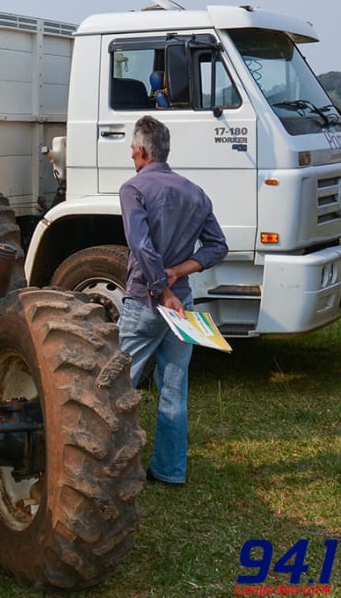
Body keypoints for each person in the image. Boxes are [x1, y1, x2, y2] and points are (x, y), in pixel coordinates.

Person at [117, 115, 228, 486]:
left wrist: (162, 287)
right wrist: (179, 274)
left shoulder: (133, 189)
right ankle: (169, 470)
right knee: (174, 389)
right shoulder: (195, 192)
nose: (131, 155)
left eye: (133, 149)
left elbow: (141, 246)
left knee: (118, 387)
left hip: (146, 303)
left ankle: (111, 469)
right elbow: (218, 246)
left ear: (142, 151)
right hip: (184, 308)